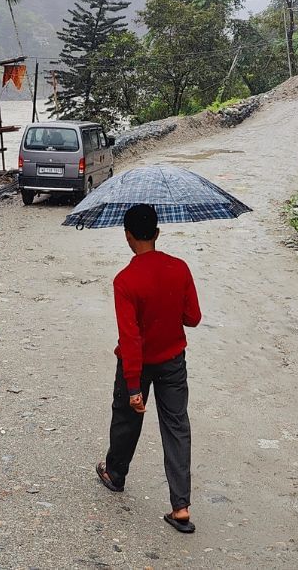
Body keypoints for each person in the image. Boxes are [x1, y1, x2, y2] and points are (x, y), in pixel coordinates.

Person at [95, 204, 202, 534]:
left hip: (138, 366)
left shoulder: (125, 281)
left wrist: (132, 387)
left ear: (127, 236)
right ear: (157, 233)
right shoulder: (180, 268)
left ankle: (115, 474)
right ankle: (180, 507)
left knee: (127, 419)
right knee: (176, 427)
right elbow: (193, 318)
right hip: (172, 362)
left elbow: (130, 337)